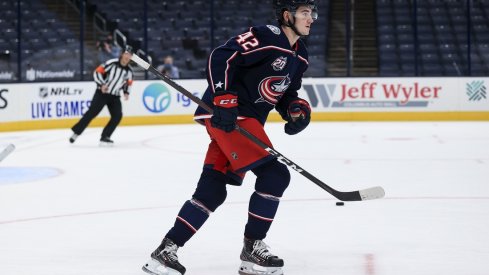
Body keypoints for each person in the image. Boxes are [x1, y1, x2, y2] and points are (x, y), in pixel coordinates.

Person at [141, 1, 317, 274]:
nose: (311, 18)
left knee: (212, 191)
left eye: (312, 13)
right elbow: (221, 56)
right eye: (305, 13)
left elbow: (285, 94)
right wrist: (223, 96)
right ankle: (253, 248)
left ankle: (165, 251)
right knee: (275, 176)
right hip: (231, 116)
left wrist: (296, 109)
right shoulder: (267, 35)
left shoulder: (301, 55)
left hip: (244, 122)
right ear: (287, 16)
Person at [69, 46, 134, 146]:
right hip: (102, 93)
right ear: (122, 54)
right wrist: (102, 84)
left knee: (117, 116)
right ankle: (76, 133)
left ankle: (105, 137)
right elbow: (97, 72)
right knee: (91, 113)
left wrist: (126, 93)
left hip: (114, 96)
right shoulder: (111, 63)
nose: (127, 56)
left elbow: (128, 83)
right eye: (126, 54)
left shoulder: (129, 71)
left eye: (130, 55)